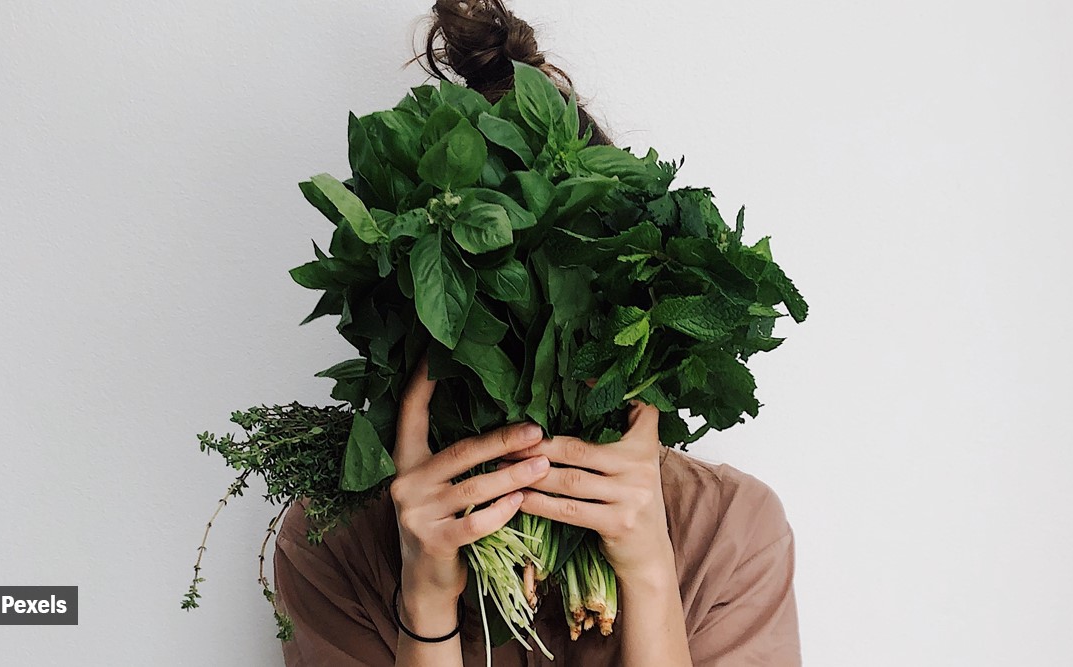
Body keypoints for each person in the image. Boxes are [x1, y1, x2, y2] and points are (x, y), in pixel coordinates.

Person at [272, 2, 801, 665]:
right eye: (492, 335)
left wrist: (650, 575)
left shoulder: (728, 534)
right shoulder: (334, 544)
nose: (529, 393)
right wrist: (426, 601)